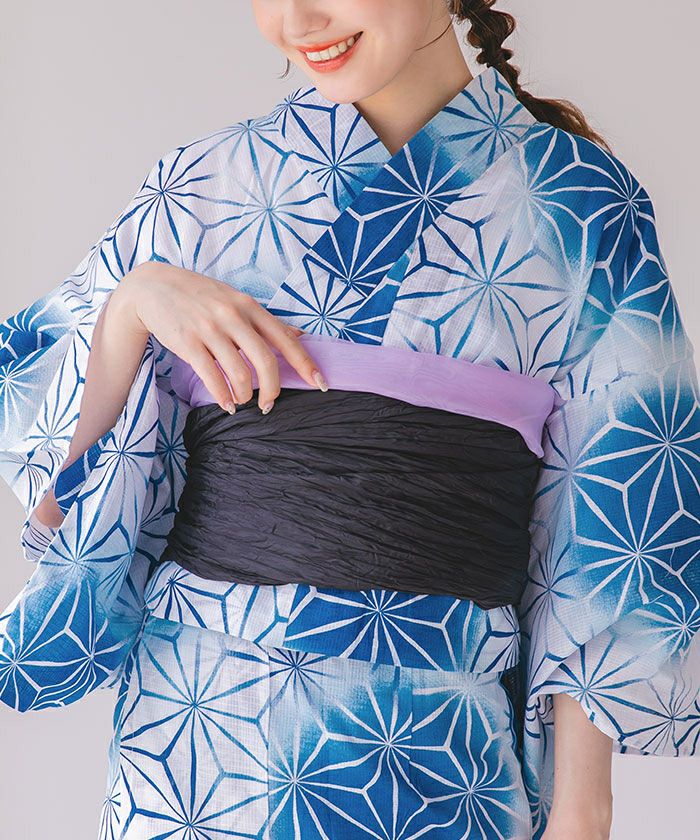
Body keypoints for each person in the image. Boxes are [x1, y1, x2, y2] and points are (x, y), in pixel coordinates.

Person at [0, 1, 697, 838]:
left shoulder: (581, 204)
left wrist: (583, 814)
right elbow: (55, 482)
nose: (298, 18)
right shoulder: (204, 184)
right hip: (196, 738)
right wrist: (129, 309)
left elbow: (618, 516)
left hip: (443, 739)